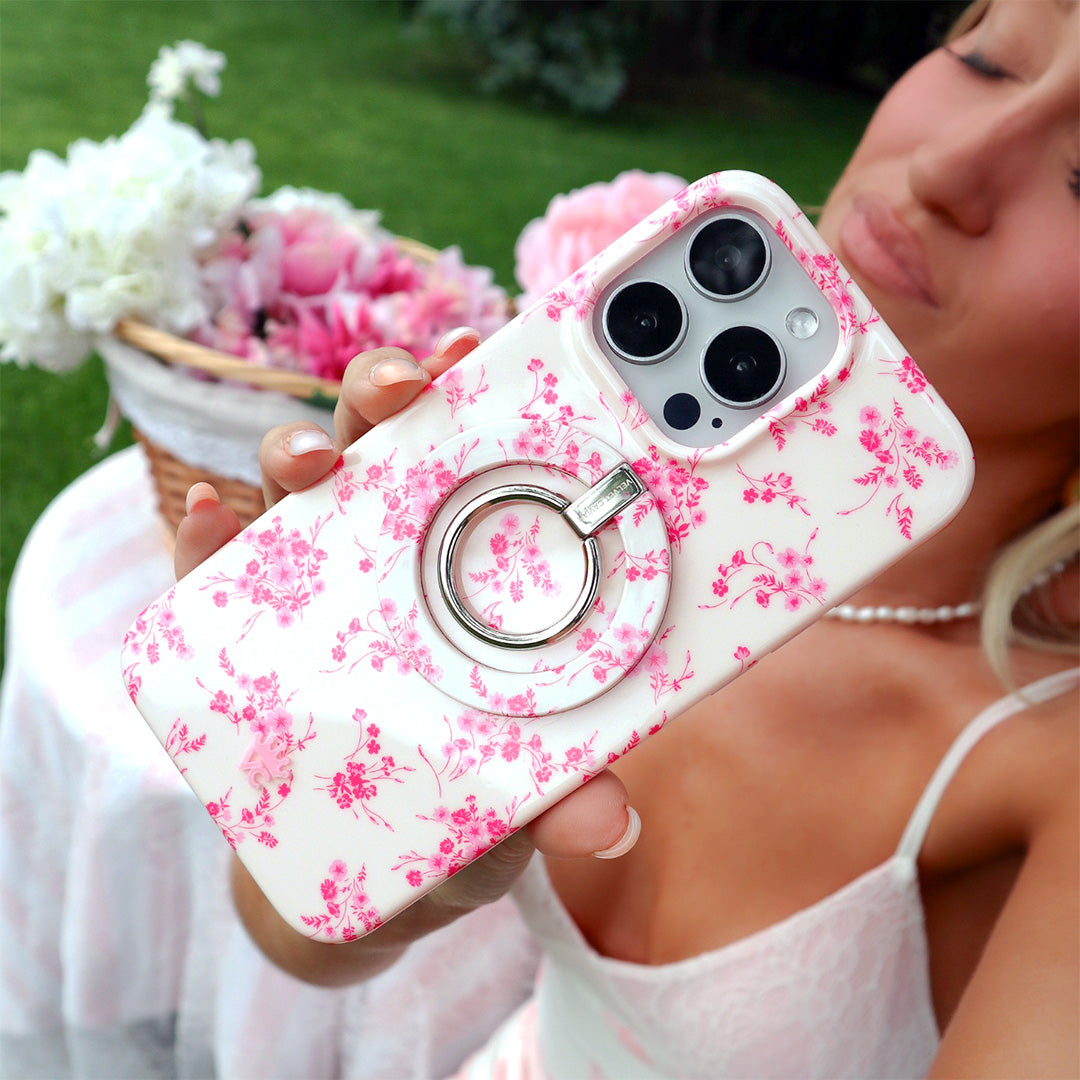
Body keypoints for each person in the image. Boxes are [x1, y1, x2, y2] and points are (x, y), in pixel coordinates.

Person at [174, 0, 1079, 1075]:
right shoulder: (578, 506)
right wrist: (409, 843)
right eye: (984, 57)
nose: (948, 168)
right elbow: (291, 926)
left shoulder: (1048, 756)